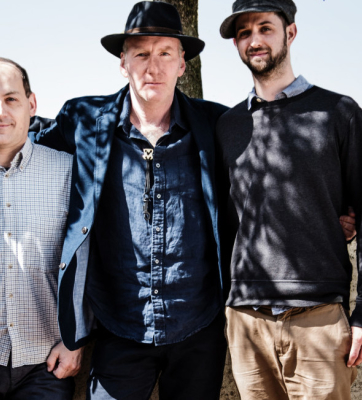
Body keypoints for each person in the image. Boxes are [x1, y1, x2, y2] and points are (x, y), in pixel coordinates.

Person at [34, 3, 230, 399]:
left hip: (198, 327)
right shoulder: (84, 119)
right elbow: (23, 147)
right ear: (123, 63)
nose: (152, 67)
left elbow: (273, 173)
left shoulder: (216, 124)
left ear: (182, 64)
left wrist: (339, 211)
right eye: (141, 54)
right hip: (118, 325)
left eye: (165, 53)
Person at [214, 0, 362, 399]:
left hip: (318, 316)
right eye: (244, 33)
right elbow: (226, 220)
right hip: (246, 319)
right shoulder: (228, 125)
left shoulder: (338, 112)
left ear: (290, 33)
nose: (254, 40)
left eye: (265, 28)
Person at [0, 57, 81, 400]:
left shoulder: (69, 172)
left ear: (31, 104)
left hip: (47, 364)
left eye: (11, 99)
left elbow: (92, 261)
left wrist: (75, 340)